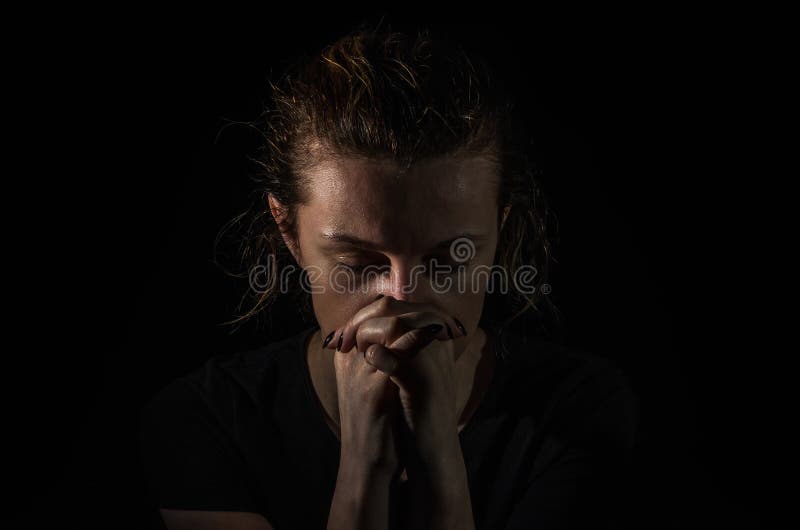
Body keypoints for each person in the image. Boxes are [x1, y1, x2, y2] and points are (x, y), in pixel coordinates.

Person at [138, 22, 640, 530]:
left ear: (499, 230)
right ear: (289, 232)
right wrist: (363, 468)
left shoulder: (579, 410)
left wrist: (438, 459)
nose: (402, 297)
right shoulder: (204, 421)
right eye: (358, 263)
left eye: (449, 260)